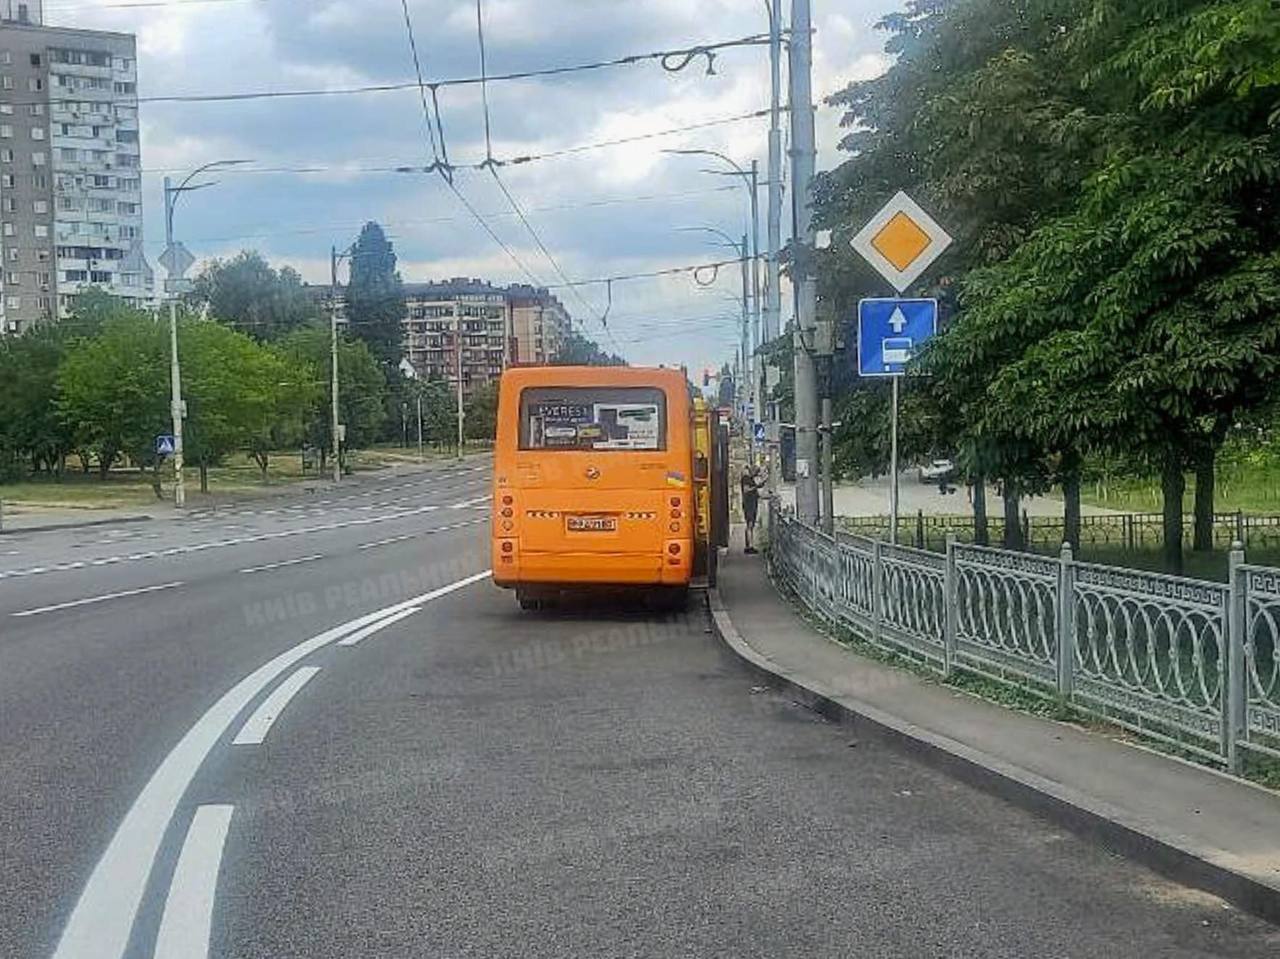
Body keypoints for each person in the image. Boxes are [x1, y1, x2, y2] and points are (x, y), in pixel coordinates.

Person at [741, 466, 764, 554]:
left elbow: (757, 494)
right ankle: (749, 546)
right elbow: (746, 490)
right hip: (749, 505)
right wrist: (757, 486)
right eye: (756, 472)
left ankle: (749, 545)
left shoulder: (750, 479)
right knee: (750, 525)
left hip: (752, 504)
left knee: (750, 525)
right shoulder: (746, 478)